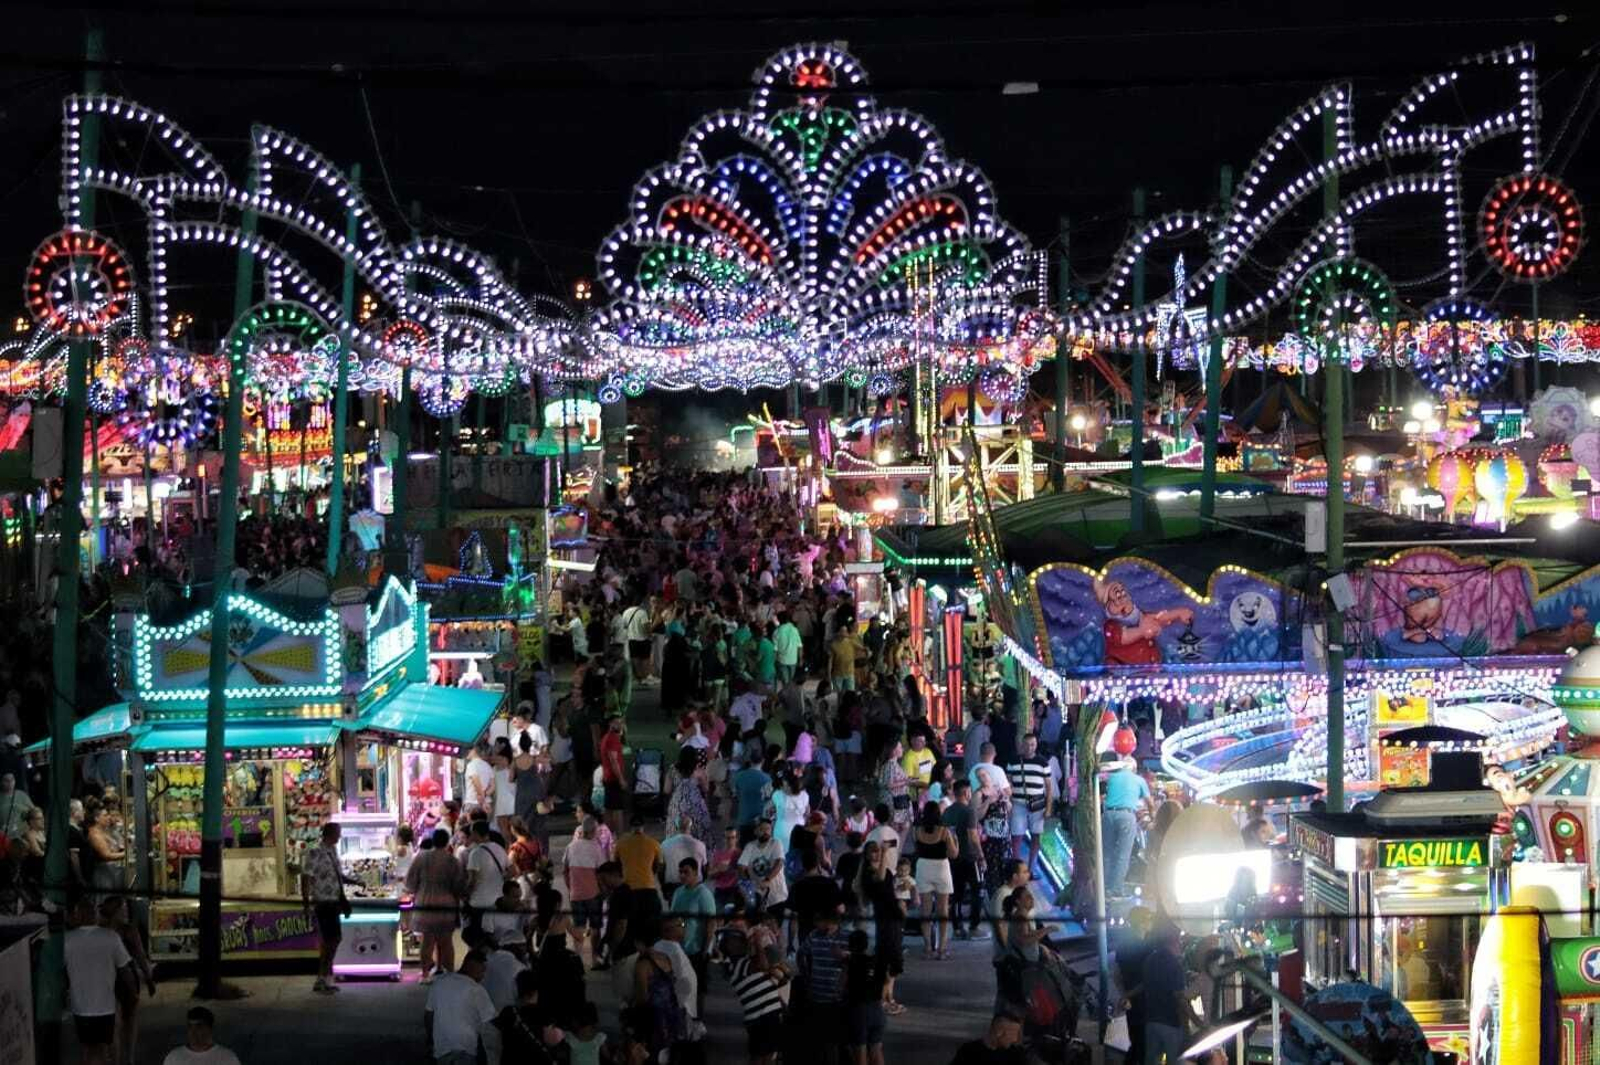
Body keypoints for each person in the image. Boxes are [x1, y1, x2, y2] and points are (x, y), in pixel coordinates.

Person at [64, 895, 135, 1065]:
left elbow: (61, 972)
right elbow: (125, 970)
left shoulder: (67, 940)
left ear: (78, 915)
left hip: (80, 1006)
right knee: (104, 1049)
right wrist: (132, 993)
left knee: (87, 1049)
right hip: (106, 1005)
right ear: (94, 914)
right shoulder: (110, 937)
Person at [301, 820, 355, 995]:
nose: (340, 836)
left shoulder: (333, 851)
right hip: (323, 902)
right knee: (330, 940)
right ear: (330, 834)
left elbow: (337, 875)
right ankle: (322, 978)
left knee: (333, 939)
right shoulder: (315, 851)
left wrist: (355, 881)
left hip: (334, 901)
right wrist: (306, 904)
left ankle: (326, 977)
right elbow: (306, 877)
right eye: (338, 833)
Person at [102, 895, 154, 1065]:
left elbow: (140, 955)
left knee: (123, 1022)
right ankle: (124, 1059)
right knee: (123, 1023)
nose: (125, 912)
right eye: (121, 909)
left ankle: (123, 1059)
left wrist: (148, 976)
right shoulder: (124, 931)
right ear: (113, 912)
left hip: (119, 979)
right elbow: (139, 955)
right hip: (122, 979)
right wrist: (148, 977)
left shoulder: (109, 931)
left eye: (125, 908)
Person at [407, 828, 464, 982]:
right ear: (447, 842)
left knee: (427, 941)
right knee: (446, 942)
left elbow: (410, 882)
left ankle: (425, 974)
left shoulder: (422, 857)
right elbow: (458, 886)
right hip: (446, 904)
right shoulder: (453, 861)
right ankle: (450, 974)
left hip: (425, 902)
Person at [725, 929, 791, 1065]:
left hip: (768, 1016)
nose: (741, 944)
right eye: (735, 941)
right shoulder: (737, 964)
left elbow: (784, 978)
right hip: (761, 1019)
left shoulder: (746, 962)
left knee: (768, 1055)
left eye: (742, 941)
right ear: (728, 947)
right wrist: (758, 943)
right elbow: (763, 965)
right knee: (759, 1057)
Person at [795, 908, 850, 1064]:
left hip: (837, 998)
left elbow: (860, 960)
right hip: (816, 995)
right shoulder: (813, 936)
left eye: (818, 921)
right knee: (819, 1040)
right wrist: (805, 974)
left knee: (835, 1040)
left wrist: (845, 956)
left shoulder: (846, 937)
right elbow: (801, 953)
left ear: (830, 922)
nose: (815, 924)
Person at [857, 840, 906, 1016]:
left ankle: (888, 997)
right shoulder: (869, 872)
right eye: (873, 851)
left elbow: (888, 887)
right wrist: (885, 853)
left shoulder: (881, 867)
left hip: (893, 916)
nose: (877, 854)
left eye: (878, 851)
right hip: (884, 919)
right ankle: (882, 1000)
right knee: (887, 958)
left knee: (894, 958)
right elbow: (880, 878)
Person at [425, 949, 497, 1065]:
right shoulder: (476, 990)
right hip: (466, 1049)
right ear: (472, 966)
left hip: (442, 1048)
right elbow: (491, 1022)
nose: (483, 976)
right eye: (482, 971)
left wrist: (430, 1039)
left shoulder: (439, 982)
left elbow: (429, 1015)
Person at [670, 857, 717, 1015]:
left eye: (686, 872)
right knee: (680, 987)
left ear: (696, 873)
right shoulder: (678, 892)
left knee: (697, 989)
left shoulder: (703, 894)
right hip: (679, 949)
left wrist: (706, 948)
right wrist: (681, 929)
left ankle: (697, 1022)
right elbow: (677, 917)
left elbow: (710, 924)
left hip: (697, 949)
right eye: (680, 872)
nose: (682, 875)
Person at [942, 780, 989, 941]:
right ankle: (974, 927)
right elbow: (973, 837)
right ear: (967, 792)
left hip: (953, 858)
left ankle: (956, 927)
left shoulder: (947, 812)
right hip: (970, 857)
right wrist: (981, 856)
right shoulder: (969, 811)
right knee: (978, 891)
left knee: (956, 894)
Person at [912, 800, 958, 959]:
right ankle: (942, 949)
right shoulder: (944, 831)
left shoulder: (917, 830)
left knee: (925, 911)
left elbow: (915, 849)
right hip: (941, 868)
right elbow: (953, 854)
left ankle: (928, 947)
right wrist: (956, 841)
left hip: (923, 867)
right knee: (942, 910)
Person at [1140, 921, 1188, 1065]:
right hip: (1171, 1023)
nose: (1181, 944)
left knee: (1152, 1061)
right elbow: (1179, 997)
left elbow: (1147, 984)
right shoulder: (1175, 964)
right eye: (1180, 940)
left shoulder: (1149, 959)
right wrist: (1186, 1025)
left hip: (1151, 1021)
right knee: (1176, 1061)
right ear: (1174, 941)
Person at [1103, 759, 1152, 896]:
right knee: (1122, 855)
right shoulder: (1139, 780)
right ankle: (1115, 889)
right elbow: (1150, 802)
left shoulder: (1112, 777)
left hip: (1108, 815)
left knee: (1107, 854)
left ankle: (1103, 888)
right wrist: (1153, 817)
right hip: (1126, 816)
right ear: (1134, 768)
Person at [492, 969, 559, 1065]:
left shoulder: (508, 1012)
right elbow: (554, 1042)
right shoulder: (546, 1014)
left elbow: (497, 1040)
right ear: (537, 990)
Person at [1005, 734, 1054, 863]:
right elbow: (1008, 784)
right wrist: (1008, 803)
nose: (1029, 747)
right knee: (1016, 836)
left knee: (1036, 836)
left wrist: (1048, 808)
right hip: (1017, 803)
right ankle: (1016, 866)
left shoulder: (1043, 763)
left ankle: (1031, 867)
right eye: (1026, 744)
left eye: (1032, 744)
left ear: (1036, 745)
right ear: (1022, 745)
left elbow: (1049, 787)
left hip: (1037, 804)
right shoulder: (1013, 761)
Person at [562, 819, 605, 963]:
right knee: (595, 927)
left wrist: (571, 887)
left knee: (579, 927)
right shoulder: (596, 848)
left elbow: (565, 870)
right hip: (593, 894)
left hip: (575, 894)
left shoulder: (571, 846)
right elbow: (601, 873)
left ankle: (578, 960)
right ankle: (594, 958)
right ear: (593, 831)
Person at [843, 928, 886, 1065]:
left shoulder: (850, 963)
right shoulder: (877, 962)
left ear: (850, 946)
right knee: (876, 1052)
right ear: (866, 945)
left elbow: (841, 985)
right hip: (877, 1010)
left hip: (859, 1011)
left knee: (860, 1055)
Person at [464, 819, 509, 936]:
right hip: (498, 900)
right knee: (496, 936)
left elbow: (472, 880)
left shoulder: (475, 853)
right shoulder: (500, 849)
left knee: (478, 938)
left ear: (475, 833)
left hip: (479, 902)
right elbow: (513, 871)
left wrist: (465, 896)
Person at [739, 816, 789, 917]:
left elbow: (779, 862)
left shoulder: (776, 843)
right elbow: (741, 866)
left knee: (775, 928)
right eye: (762, 829)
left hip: (777, 896)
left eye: (768, 829)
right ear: (756, 831)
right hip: (757, 896)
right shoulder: (750, 846)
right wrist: (749, 883)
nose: (766, 832)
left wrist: (767, 880)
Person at [161, 1006, 242, 1065]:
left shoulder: (228, 1058)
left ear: (209, 1029)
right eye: (190, 1026)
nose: (193, 1032)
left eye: (199, 1026)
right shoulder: (174, 1058)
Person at [948, 1012, 1027, 1065]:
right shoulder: (969, 1051)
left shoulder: (1016, 1054)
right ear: (999, 1032)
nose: (1015, 1039)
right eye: (1012, 1033)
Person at [617, 814, 665, 897]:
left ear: (630, 827)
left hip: (628, 887)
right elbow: (659, 865)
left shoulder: (620, 844)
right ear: (643, 826)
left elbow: (617, 864)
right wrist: (650, 873)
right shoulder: (654, 843)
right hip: (648, 886)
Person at [733, 752, 773, 846]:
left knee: (743, 849)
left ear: (749, 761)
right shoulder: (767, 778)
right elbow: (769, 800)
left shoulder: (739, 775)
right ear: (763, 761)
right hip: (760, 820)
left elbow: (736, 795)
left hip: (743, 817)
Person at [600, 715, 630, 837]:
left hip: (608, 777)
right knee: (617, 810)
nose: (620, 725)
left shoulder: (607, 738)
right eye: (616, 723)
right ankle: (620, 837)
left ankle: (607, 837)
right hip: (613, 779)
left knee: (609, 808)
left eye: (621, 722)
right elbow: (613, 761)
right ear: (610, 724)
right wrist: (621, 779)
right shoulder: (612, 739)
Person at [661, 817, 708, 894]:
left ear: (676, 827)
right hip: (694, 884)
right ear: (691, 827)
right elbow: (704, 868)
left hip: (673, 886)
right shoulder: (700, 845)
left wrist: (663, 887)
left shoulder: (665, 845)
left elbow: (662, 868)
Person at [900, 732, 936, 806]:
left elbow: (935, 767)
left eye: (924, 741)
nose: (923, 743)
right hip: (916, 797)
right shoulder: (908, 758)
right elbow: (909, 780)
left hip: (930, 793)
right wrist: (925, 785)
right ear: (912, 741)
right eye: (920, 741)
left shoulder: (928, 751)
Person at [464, 741, 496, 815]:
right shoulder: (487, 766)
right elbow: (493, 786)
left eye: (468, 750)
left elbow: (476, 781)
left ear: (474, 750)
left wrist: (481, 799)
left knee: (471, 825)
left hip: (473, 802)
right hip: (487, 802)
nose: (466, 752)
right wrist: (484, 795)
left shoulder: (471, 765)